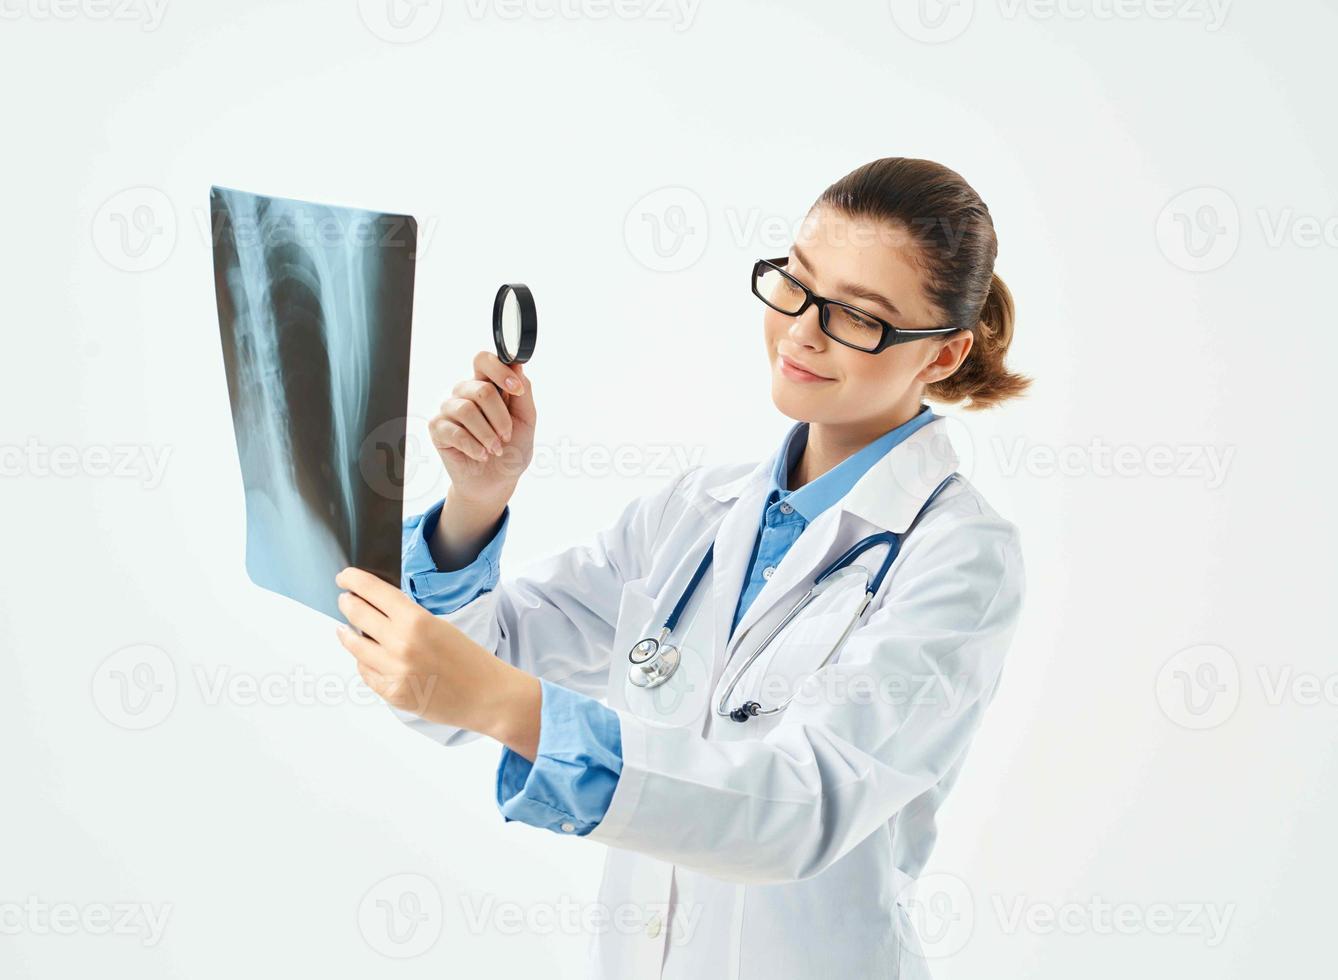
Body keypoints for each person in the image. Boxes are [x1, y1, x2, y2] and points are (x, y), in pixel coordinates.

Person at [335, 156, 1030, 978]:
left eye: (857, 317)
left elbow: (802, 807)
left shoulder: (960, 555)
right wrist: (475, 503)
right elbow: (453, 694)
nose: (803, 330)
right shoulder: (699, 510)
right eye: (796, 286)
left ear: (944, 356)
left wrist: (509, 707)